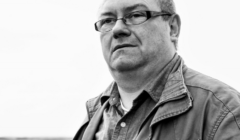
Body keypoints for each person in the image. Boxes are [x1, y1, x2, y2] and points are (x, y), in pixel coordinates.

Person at [74, 0, 240, 139]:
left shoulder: (222, 110)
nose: (117, 29)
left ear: (172, 28)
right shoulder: (91, 118)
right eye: (108, 20)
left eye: (135, 15)